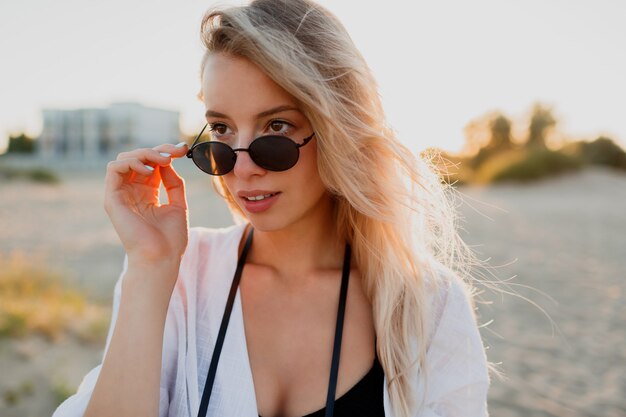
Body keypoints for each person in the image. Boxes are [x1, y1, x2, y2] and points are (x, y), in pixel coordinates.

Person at [52, 0, 490, 416]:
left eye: (276, 127)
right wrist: (149, 267)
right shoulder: (179, 277)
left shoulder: (427, 305)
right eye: (221, 128)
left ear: (338, 128)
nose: (241, 167)